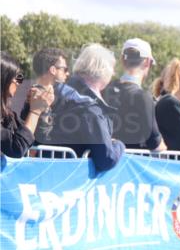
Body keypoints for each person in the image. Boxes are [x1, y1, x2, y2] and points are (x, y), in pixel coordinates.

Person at [47, 44, 124, 172]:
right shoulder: (89, 107)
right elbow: (106, 159)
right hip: (68, 180)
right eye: (112, 69)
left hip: (43, 174)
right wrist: (118, 145)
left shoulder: (55, 91)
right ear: (104, 71)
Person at [104, 38, 165, 151]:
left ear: (122, 59)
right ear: (147, 62)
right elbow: (155, 144)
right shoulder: (143, 97)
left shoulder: (104, 89)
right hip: (131, 165)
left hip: (106, 163)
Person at [2, 52, 53, 157]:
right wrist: (35, 111)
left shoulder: (7, 114)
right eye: (17, 77)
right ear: (3, 78)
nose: (19, 82)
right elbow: (16, 148)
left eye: (21, 78)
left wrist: (41, 109)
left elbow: (35, 136)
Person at [17, 48, 68, 145]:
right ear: (53, 70)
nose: (67, 73)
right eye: (65, 69)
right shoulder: (35, 96)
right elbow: (42, 137)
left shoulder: (34, 93)